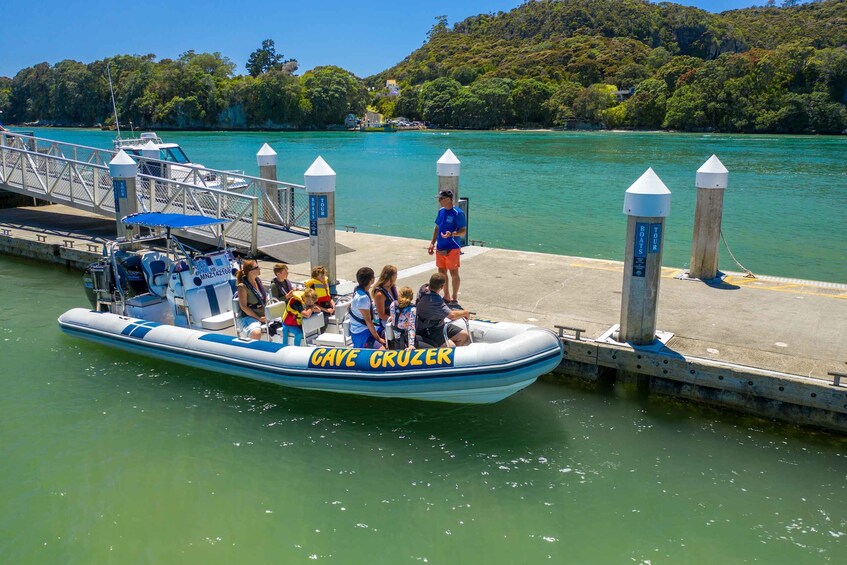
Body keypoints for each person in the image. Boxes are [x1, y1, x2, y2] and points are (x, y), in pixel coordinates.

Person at [427, 189, 466, 305]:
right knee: (442, 273)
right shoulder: (441, 211)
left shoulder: (458, 213)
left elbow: (463, 231)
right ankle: (446, 296)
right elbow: (437, 228)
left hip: (452, 247)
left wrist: (452, 234)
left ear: (448, 199)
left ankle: (454, 297)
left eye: (441, 198)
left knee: (454, 273)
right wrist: (432, 243)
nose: (439, 201)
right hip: (440, 247)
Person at [415, 272, 470, 348]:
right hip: (429, 329)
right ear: (442, 286)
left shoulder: (423, 289)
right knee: (452, 347)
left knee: (463, 335)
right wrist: (465, 313)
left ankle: (450, 354)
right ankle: (446, 355)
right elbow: (452, 316)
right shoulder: (434, 300)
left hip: (439, 325)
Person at [349, 267, 385, 349]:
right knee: (382, 350)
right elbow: (368, 321)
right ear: (371, 280)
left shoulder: (360, 290)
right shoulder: (362, 298)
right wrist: (378, 339)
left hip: (369, 328)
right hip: (361, 332)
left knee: (390, 336)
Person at [236, 259, 268, 340]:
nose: (259, 269)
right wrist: (259, 318)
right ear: (251, 272)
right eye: (257, 267)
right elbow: (243, 307)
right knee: (256, 333)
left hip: (263, 315)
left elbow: (264, 298)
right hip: (249, 317)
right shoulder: (242, 286)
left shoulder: (258, 281)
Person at [304, 265, 335, 330]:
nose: (324, 277)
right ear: (316, 278)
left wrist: (333, 305)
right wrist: (326, 310)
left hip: (329, 307)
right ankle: (320, 335)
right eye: (321, 276)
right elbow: (312, 304)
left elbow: (329, 297)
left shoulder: (325, 283)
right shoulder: (312, 287)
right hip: (319, 309)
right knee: (324, 320)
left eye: (324, 275)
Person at [372, 264, 398, 337]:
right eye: (396, 274)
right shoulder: (380, 294)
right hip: (386, 323)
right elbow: (382, 315)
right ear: (391, 277)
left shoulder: (392, 287)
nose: (397, 276)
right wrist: (397, 320)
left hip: (395, 317)